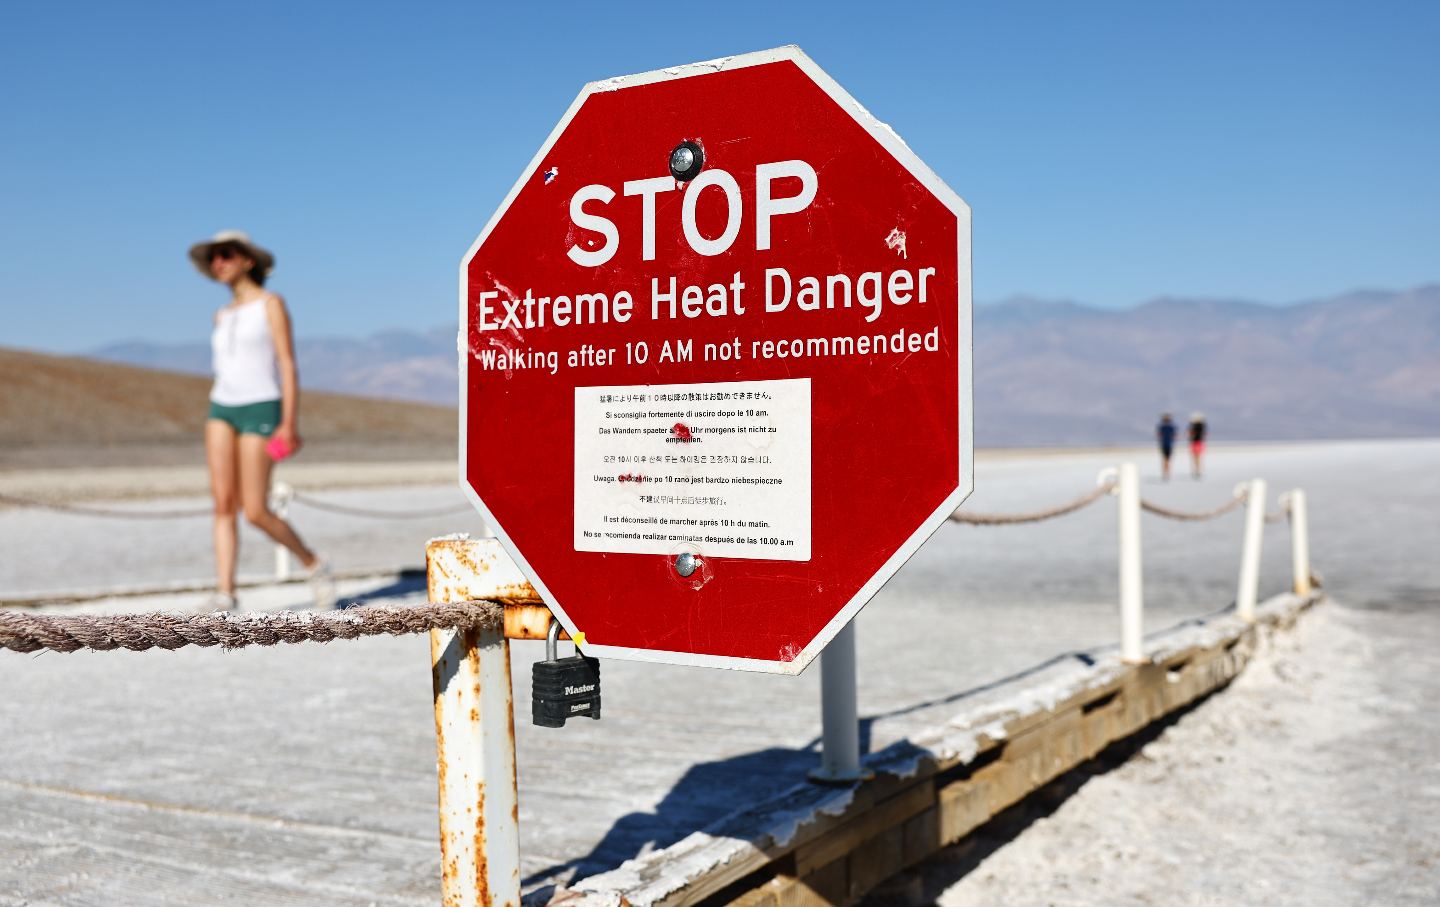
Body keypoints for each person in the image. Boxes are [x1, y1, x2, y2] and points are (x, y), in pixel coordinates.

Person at [188, 230, 330, 610]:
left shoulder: (271, 303)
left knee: (255, 510)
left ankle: (313, 563)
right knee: (221, 504)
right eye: (214, 256)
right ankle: (225, 592)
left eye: (227, 254)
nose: (219, 262)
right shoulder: (222, 314)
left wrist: (289, 422)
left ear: (248, 260)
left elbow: (287, 363)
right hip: (221, 407)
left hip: (262, 407)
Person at [1156, 412, 1177, 481]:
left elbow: (1159, 435)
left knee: (1165, 459)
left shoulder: (1162, 427)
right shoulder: (1171, 427)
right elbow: (1174, 436)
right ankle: (1167, 473)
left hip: (1164, 444)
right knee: (1167, 460)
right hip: (1168, 444)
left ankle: (1165, 473)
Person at [1188, 411, 1208, 479]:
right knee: (1198, 458)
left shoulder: (1193, 426)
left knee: (1195, 458)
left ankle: (1197, 470)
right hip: (1200, 442)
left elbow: (1190, 434)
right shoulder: (1202, 426)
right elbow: (1204, 435)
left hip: (1195, 442)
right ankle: (1198, 470)